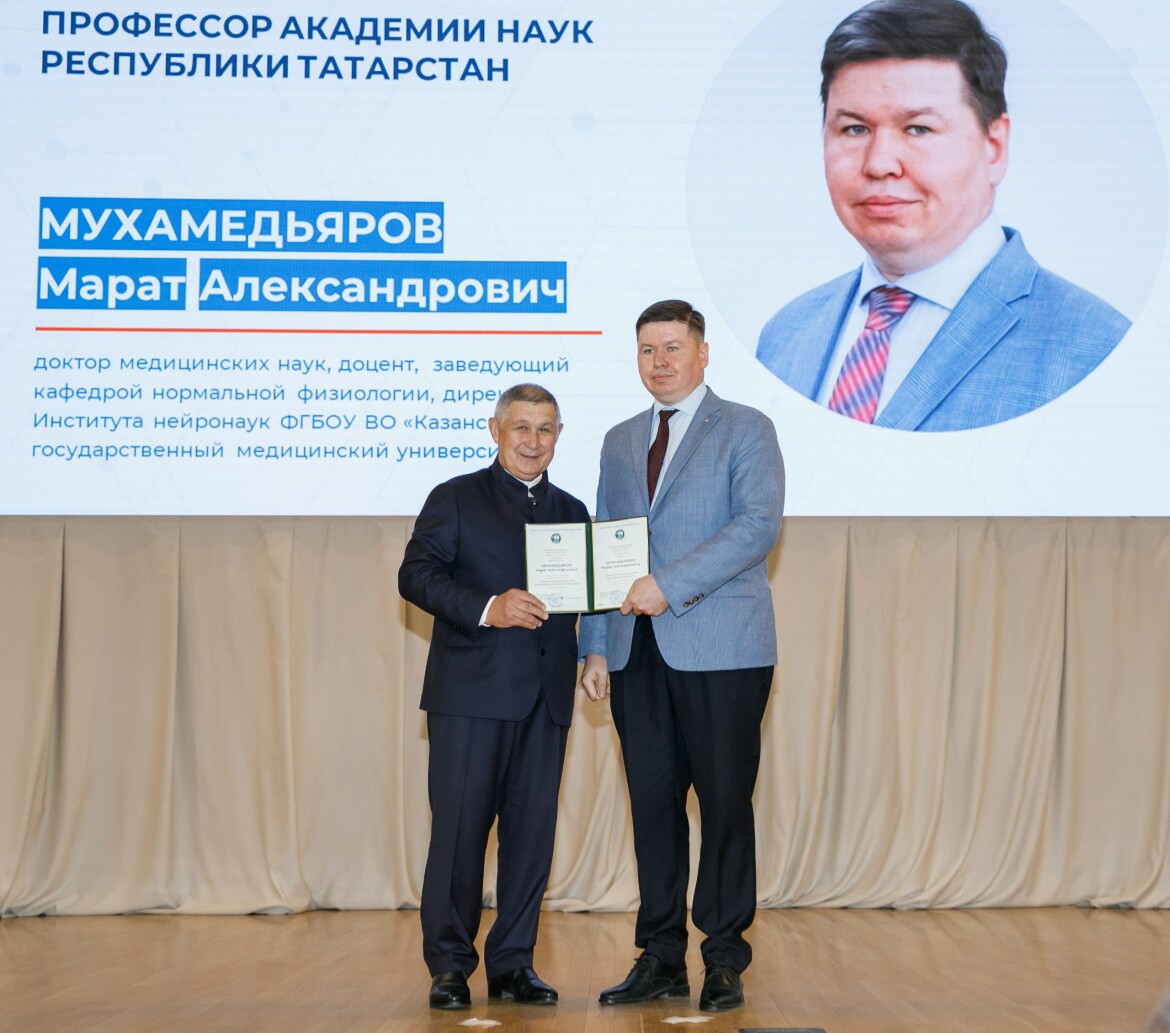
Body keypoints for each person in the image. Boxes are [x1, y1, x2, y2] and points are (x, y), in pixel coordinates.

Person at [756, 0, 1130, 432]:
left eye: (919, 129)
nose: (879, 163)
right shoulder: (785, 335)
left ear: (994, 147)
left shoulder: (1098, 351)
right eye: (855, 129)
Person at [579, 300, 784, 1012]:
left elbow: (757, 525)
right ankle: (660, 955)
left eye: (672, 347)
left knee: (725, 805)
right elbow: (606, 545)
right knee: (653, 807)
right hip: (634, 651)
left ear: (702, 353)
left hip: (724, 649)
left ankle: (724, 956)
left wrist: (669, 584)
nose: (660, 361)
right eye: (647, 350)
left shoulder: (747, 428)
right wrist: (595, 645)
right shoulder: (618, 440)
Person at [397, 383, 589, 1010]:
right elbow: (415, 576)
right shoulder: (453, 497)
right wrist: (489, 607)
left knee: (531, 841)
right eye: (521, 428)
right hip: (470, 698)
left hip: (546, 702)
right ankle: (450, 966)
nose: (533, 441)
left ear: (558, 436)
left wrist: (594, 656)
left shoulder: (573, 511)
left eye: (546, 429)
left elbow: (588, 600)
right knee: (459, 836)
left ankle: (513, 965)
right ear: (495, 430)